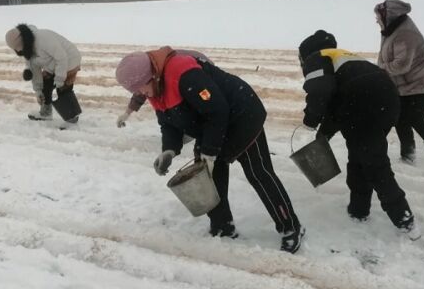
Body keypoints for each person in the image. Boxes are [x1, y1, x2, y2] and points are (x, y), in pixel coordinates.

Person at [115, 46, 305, 253]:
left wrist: (210, 151)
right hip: (211, 123)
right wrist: (169, 150)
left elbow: (217, 110)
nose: (140, 93)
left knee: (258, 173)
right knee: (208, 176)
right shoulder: (156, 87)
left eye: (140, 87)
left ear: (150, 75)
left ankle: (291, 228)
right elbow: (168, 122)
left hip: (242, 116)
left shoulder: (184, 74)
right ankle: (223, 227)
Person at [298, 30, 420, 240]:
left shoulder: (317, 57)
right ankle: (358, 209)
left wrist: (309, 121)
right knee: (360, 156)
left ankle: (404, 219)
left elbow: (319, 92)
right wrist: (323, 135)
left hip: (363, 104)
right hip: (387, 101)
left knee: (375, 165)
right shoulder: (343, 57)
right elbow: (336, 105)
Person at [374, 0, 424, 164]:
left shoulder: (405, 34)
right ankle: (408, 156)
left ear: (389, 15)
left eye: (379, 16)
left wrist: (380, 69)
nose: (377, 20)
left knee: (413, 118)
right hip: (410, 85)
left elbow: (401, 65)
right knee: (400, 118)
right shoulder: (392, 29)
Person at [5, 24, 82, 123]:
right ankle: (46, 113)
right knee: (46, 84)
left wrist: (59, 78)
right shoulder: (28, 51)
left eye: (20, 48)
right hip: (53, 64)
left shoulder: (43, 39)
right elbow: (34, 71)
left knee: (63, 87)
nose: (20, 51)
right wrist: (38, 91)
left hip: (70, 59)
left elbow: (62, 58)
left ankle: (72, 118)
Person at [116, 49, 212, 127]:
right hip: (187, 76)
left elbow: (204, 91)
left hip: (204, 70)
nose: (140, 92)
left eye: (138, 89)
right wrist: (127, 113)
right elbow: (141, 92)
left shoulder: (166, 68)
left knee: (206, 100)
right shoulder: (146, 69)